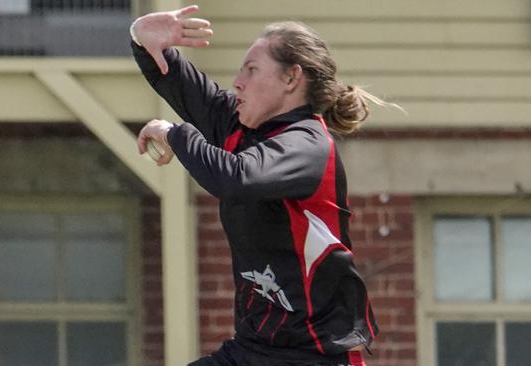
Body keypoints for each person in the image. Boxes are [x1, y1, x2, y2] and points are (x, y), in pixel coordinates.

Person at [131, 5, 385, 366]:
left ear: (291, 78)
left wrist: (177, 135)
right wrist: (144, 40)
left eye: (251, 70)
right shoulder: (238, 125)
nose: (238, 81)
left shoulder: (308, 144)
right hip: (252, 351)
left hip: (313, 357)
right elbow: (179, 84)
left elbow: (235, 179)